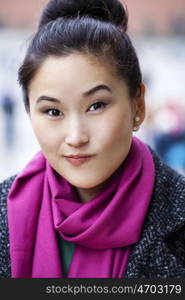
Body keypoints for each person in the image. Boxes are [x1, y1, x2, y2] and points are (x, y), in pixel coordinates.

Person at [0, 0, 185, 278]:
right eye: (52, 111)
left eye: (96, 106)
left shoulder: (178, 214)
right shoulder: (5, 213)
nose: (75, 137)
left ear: (138, 106)